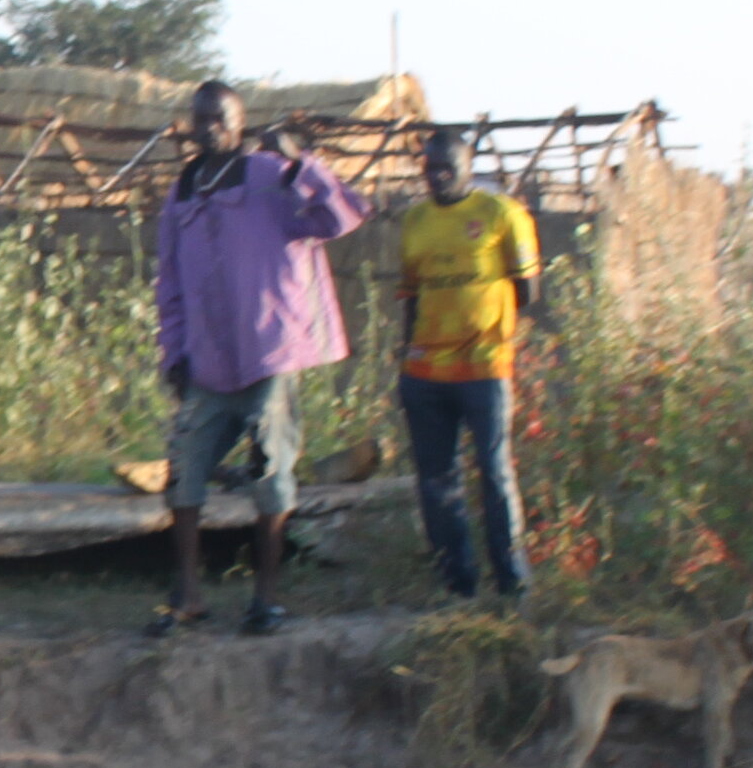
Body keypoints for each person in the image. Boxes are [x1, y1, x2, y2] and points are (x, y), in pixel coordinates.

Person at [148, 85, 365, 638]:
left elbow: (341, 218)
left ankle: (265, 599)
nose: (207, 130)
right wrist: (173, 351)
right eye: (199, 120)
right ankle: (188, 595)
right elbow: (169, 278)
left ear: (240, 123)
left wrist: (302, 161)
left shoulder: (270, 174)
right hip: (207, 357)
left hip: (270, 349)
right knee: (185, 471)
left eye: (218, 120)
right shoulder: (185, 188)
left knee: (271, 471)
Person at [393, 127, 542, 602]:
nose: (437, 178)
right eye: (429, 169)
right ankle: (459, 585)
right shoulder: (416, 221)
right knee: (436, 481)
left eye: (446, 169)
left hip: (483, 369)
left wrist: (487, 330)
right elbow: (411, 296)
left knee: (495, 473)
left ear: (467, 166)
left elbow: (527, 290)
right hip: (426, 374)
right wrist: (406, 355)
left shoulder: (502, 214)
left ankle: (512, 583)